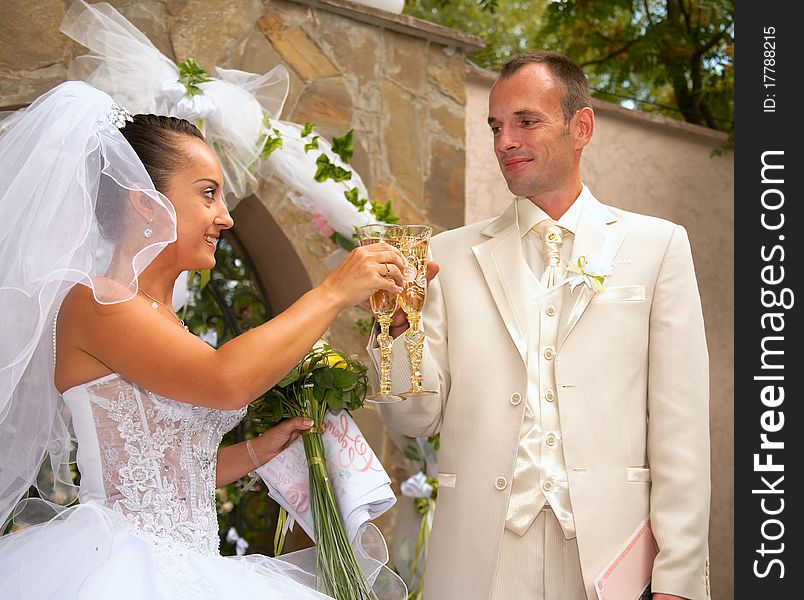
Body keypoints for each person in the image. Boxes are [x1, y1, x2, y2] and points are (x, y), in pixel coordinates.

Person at [0, 80, 407, 599]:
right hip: (121, 568)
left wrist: (260, 450)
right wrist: (331, 293)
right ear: (145, 203)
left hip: (193, 563)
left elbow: (172, 475)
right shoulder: (94, 303)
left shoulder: (166, 321)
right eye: (207, 193)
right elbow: (226, 381)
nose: (226, 216)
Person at [371, 51, 711, 600]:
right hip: (481, 560)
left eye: (526, 121)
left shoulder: (658, 248)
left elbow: (682, 431)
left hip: (612, 560)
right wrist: (394, 325)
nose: (505, 140)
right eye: (496, 126)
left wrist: (679, 578)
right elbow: (413, 419)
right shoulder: (446, 257)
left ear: (582, 127)